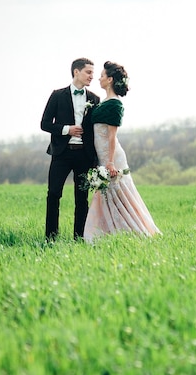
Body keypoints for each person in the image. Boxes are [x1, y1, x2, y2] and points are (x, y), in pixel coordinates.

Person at [83, 61, 161, 243]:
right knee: (107, 194)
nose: (99, 78)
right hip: (102, 156)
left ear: (109, 80)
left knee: (119, 193)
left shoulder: (114, 105)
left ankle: (132, 230)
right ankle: (109, 232)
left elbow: (112, 137)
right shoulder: (103, 103)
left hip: (112, 156)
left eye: (102, 75)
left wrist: (109, 162)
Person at [41, 58, 100, 241]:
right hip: (62, 154)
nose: (92, 76)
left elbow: (96, 131)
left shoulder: (94, 99)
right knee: (53, 194)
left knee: (81, 198)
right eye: (88, 72)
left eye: (93, 72)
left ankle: (79, 238)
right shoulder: (57, 95)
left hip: (84, 155)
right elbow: (44, 124)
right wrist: (67, 129)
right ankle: (51, 238)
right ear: (76, 72)